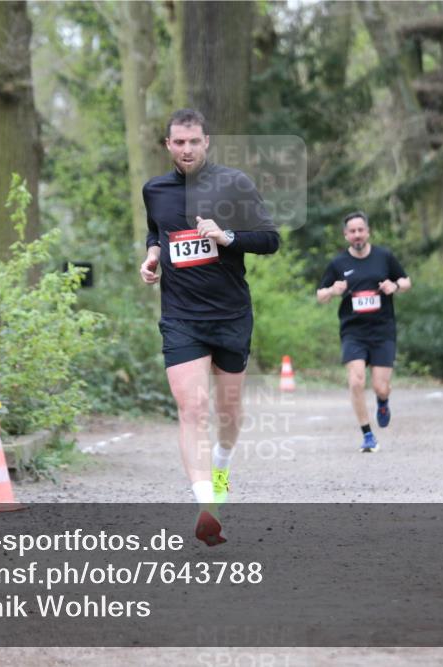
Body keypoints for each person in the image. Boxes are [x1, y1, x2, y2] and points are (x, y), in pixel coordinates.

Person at [140, 109, 280, 545]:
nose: (186, 149)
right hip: (181, 317)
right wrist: (151, 256)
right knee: (192, 409)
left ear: (207, 143)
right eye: (178, 142)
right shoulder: (155, 191)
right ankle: (206, 505)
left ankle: (221, 466)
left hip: (231, 314)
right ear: (167, 145)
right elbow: (156, 231)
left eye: (194, 142)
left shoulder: (233, 184)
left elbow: (270, 239)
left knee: (228, 413)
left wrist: (228, 237)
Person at [316, 211, 411, 452]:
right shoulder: (338, 264)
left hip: (382, 331)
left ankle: (382, 401)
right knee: (356, 381)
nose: (357, 235)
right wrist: (332, 291)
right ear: (346, 235)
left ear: (367, 232)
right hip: (353, 332)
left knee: (381, 386)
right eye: (352, 231)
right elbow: (320, 295)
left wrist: (395, 285)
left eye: (361, 230)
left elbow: (407, 281)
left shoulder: (384, 257)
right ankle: (368, 435)